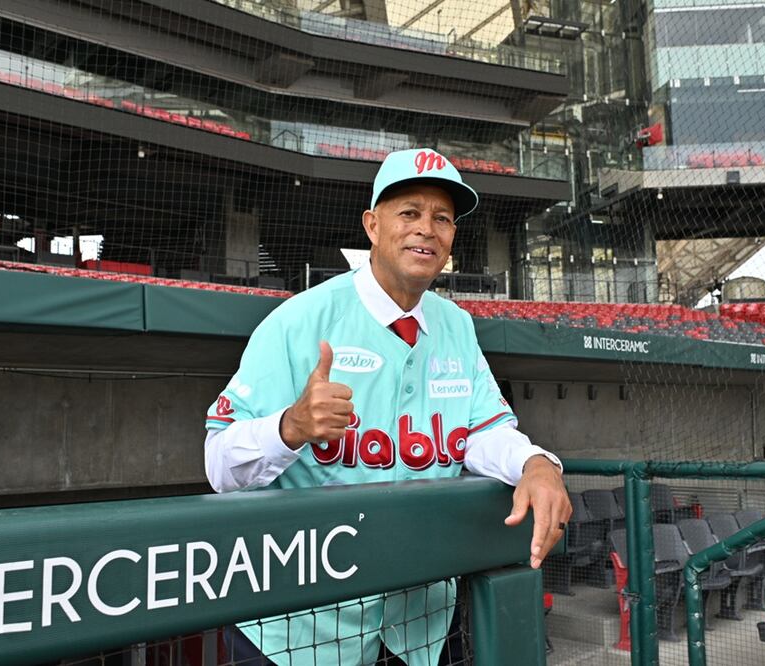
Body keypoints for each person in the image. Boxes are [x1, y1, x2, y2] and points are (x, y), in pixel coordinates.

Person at [203, 148, 571, 665]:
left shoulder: (456, 326)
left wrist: (537, 464)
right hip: (295, 632)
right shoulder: (298, 321)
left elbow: (484, 431)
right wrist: (290, 427)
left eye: (442, 218)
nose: (427, 228)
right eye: (410, 213)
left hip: (415, 629)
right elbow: (219, 465)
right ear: (372, 226)